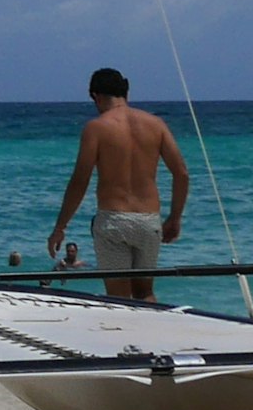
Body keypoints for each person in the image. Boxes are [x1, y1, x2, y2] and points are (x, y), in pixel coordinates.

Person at [48, 68, 187, 303]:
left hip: (114, 221)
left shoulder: (97, 128)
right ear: (125, 91)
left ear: (95, 95)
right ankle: (149, 337)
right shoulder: (156, 124)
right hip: (148, 220)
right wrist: (175, 217)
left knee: (118, 297)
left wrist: (60, 226)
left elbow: (80, 181)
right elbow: (181, 173)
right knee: (146, 293)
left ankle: (125, 339)